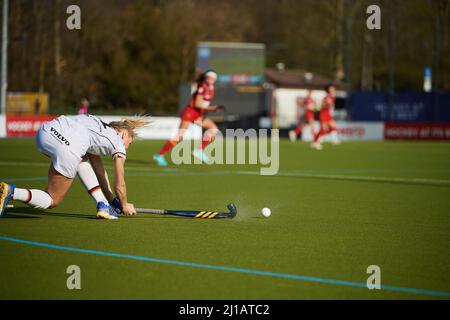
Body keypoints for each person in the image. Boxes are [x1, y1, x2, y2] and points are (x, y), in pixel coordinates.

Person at [0, 114, 151, 219]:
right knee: (53, 199)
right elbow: (120, 184)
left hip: (45, 133)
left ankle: (102, 204)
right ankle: (11, 192)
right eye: (129, 143)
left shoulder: (95, 125)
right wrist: (124, 204)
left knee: (81, 159)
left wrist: (111, 200)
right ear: (124, 134)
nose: (127, 148)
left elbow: (99, 172)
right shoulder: (118, 143)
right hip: (68, 147)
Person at [153, 70, 223, 166]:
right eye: (209, 77)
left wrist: (209, 109)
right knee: (180, 136)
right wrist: (212, 109)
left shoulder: (211, 89)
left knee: (214, 129)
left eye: (212, 78)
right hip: (190, 113)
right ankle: (159, 154)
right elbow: (198, 104)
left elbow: (203, 105)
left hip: (197, 114)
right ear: (206, 78)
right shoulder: (202, 87)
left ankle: (199, 150)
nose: (210, 79)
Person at [311, 84, 340, 150]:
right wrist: (324, 105)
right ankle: (316, 142)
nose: (333, 89)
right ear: (328, 90)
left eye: (333, 88)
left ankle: (333, 140)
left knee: (333, 126)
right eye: (331, 88)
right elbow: (323, 105)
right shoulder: (327, 97)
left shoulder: (332, 96)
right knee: (323, 129)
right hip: (323, 114)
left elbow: (329, 105)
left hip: (328, 114)